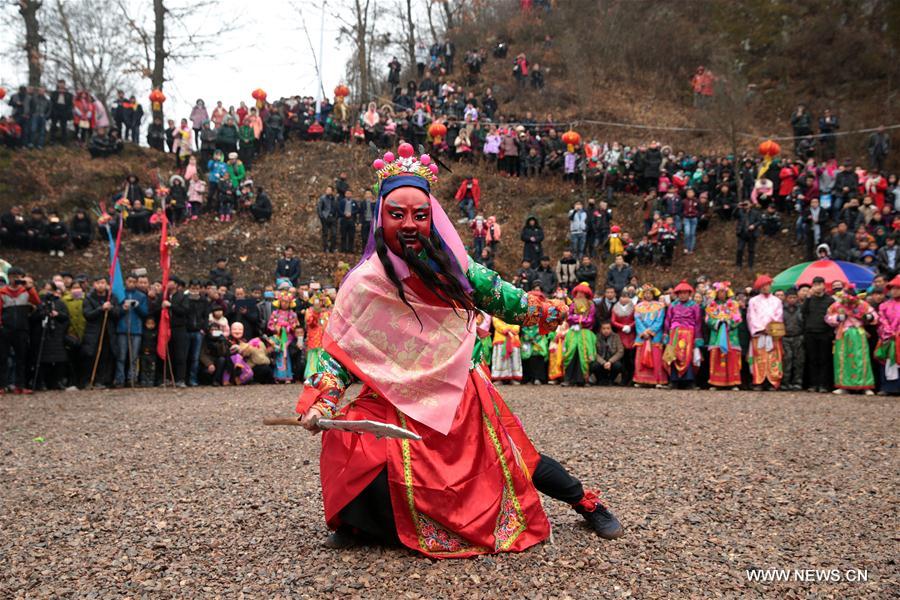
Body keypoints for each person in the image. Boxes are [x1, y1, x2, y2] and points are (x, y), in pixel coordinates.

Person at [295, 143, 622, 554]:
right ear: (381, 218)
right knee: (351, 439)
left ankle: (585, 501)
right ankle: (361, 525)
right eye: (397, 215)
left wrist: (551, 310)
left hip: (458, 389)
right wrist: (322, 400)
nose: (409, 224)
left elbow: (508, 300)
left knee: (516, 457)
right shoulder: (362, 284)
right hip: (393, 395)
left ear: (433, 218)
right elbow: (340, 353)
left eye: (420, 215)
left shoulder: (458, 271)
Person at [823, 289, 876, 395]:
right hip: (843, 334)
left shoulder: (863, 304)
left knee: (862, 358)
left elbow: (874, 315)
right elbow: (827, 317)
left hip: (858, 333)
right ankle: (843, 385)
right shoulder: (837, 305)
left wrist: (869, 317)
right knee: (842, 358)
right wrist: (838, 317)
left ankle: (865, 385)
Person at [0, 269, 41, 393]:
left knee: (21, 358)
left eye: (18, 276)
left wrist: (29, 287)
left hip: (22, 329)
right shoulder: (2, 292)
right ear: (8, 278)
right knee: (2, 358)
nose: (15, 279)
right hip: (5, 329)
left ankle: (20, 386)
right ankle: (2, 385)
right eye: (12, 276)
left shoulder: (26, 291)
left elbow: (37, 302)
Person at [81, 275, 120, 389]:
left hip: (108, 333)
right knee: (91, 356)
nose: (101, 285)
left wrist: (111, 308)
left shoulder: (112, 297)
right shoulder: (89, 298)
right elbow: (87, 314)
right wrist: (101, 309)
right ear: (94, 284)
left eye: (103, 283)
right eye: (98, 283)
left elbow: (118, 313)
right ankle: (88, 380)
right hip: (93, 333)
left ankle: (101, 380)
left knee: (105, 357)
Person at [747, 275, 784, 390]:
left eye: (767, 285)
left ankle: (772, 381)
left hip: (773, 334)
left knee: (773, 357)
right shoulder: (753, 301)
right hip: (759, 333)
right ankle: (758, 380)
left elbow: (779, 316)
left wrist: (772, 328)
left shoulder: (777, 301)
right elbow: (751, 317)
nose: (765, 288)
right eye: (762, 286)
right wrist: (761, 328)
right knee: (759, 358)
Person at [663, 281, 703, 388]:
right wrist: (666, 334)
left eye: (685, 293)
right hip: (674, 332)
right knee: (673, 355)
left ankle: (689, 381)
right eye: (680, 293)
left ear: (689, 294)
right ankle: (673, 380)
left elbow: (698, 322)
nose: (682, 295)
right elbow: (668, 320)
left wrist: (698, 337)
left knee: (687, 356)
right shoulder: (672, 305)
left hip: (689, 333)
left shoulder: (694, 306)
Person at [801, 276, 835, 392]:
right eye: (815, 284)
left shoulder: (830, 300)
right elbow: (803, 312)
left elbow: (833, 316)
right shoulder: (809, 299)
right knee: (812, 359)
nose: (817, 287)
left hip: (825, 333)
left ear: (824, 285)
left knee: (824, 359)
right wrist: (808, 297)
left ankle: (823, 384)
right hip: (810, 333)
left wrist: (831, 334)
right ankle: (813, 384)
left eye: (820, 284)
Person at [563, 283, 597, 386]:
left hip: (585, 333)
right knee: (571, 353)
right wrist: (578, 319)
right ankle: (568, 379)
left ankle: (582, 379)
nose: (579, 295)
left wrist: (577, 319)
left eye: (582, 293)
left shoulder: (590, 304)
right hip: (573, 332)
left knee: (584, 354)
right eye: (578, 292)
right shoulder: (573, 304)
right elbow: (568, 317)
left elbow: (590, 320)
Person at [633, 284, 667, 387]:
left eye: (650, 293)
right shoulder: (638, 306)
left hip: (655, 336)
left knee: (656, 357)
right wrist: (643, 332)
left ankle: (657, 380)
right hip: (642, 336)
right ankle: (641, 380)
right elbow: (637, 320)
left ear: (653, 294)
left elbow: (659, 320)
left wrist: (651, 331)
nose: (648, 295)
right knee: (640, 357)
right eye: (646, 293)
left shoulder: (660, 306)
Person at [875, 275, 900, 395]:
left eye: (897, 288)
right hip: (888, 337)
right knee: (885, 361)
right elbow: (881, 319)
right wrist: (889, 331)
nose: (894, 291)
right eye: (892, 288)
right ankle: (886, 387)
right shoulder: (884, 305)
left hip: (899, 337)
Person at [780, 287, 805, 391]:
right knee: (787, 360)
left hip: (798, 336)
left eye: (794, 297)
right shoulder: (780, 309)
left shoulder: (802, 308)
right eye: (790, 297)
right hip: (785, 337)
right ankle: (785, 382)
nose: (792, 300)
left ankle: (797, 382)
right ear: (786, 298)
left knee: (799, 361)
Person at [303, 291, 331, 379]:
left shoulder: (328, 313)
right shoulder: (309, 311)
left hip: (325, 340)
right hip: (314, 339)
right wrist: (316, 312)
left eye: (321, 300)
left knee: (324, 356)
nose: (320, 303)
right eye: (317, 301)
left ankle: (324, 374)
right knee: (314, 356)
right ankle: (313, 374)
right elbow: (310, 322)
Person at [610, 290, 636, 385]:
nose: (624, 299)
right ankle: (624, 378)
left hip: (631, 335)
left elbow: (637, 318)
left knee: (631, 358)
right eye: (623, 297)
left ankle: (632, 377)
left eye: (627, 297)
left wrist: (630, 326)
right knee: (622, 358)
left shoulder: (634, 308)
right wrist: (622, 327)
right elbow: (613, 321)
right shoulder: (615, 308)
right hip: (620, 335)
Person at [592, 321, 624, 385]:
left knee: (618, 366)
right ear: (600, 329)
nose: (606, 330)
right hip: (601, 361)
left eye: (608, 328)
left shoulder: (616, 336)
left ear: (611, 329)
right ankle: (600, 380)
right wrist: (603, 362)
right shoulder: (596, 337)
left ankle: (611, 380)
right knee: (594, 365)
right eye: (604, 328)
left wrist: (610, 361)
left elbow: (620, 351)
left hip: (612, 360)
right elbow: (593, 352)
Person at [735, 201, 760, 269]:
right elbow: (734, 215)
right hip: (742, 233)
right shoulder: (740, 211)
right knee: (740, 249)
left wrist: (754, 225)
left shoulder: (755, 212)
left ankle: (750, 265)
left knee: (751, 250)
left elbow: (759, 221)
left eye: (747, 204)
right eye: (744, 204)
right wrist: (737, 208)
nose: (745, 205)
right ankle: (738, 265)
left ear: (751, 204)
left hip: (752, 234)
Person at [49, 80, 73, 145]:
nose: (61, 85)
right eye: (60, 84)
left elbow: (70, 105)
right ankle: (52, 140)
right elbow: (51, 103)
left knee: (64, 127)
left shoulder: (69, 94)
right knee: (53, 126)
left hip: (64, 112)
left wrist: (68, 112)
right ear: (58, 84)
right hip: (55, 111)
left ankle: (64, 141)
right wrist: (53, 111)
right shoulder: (54, 93)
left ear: (64, 85)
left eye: (63, 84)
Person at [317, 186, 338, 253]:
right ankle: (325, 248)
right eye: (327, 189)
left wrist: (336, 217)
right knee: (325, 233)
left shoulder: (334, 199)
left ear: (332, 191)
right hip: (325, 217)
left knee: (334, 233)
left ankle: (332, 248)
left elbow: (336, 208)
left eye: (329, 190)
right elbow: (319, 208)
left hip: (333, 218)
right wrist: (322, 217)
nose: (327, 191)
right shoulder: (322, 198)